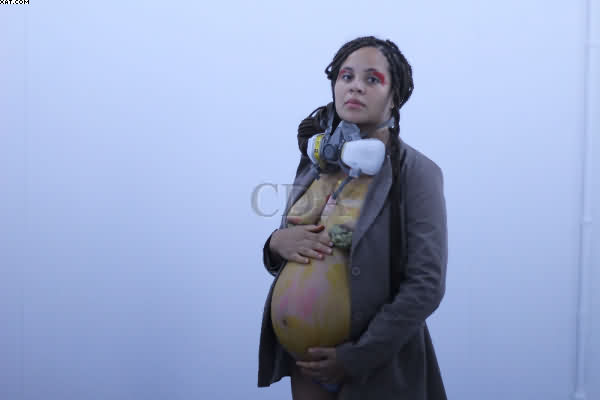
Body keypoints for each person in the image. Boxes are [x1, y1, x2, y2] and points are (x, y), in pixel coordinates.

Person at [257, 36, 448, 399]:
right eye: (346, 76)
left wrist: (356, 357)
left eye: (372, 78)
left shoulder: (417, 172)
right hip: (302, 365)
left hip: (372, 367)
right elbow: (296, 247)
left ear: (395, 96)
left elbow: (426, 285)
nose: (356, 86)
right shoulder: (317, 161)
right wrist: (275, 244)